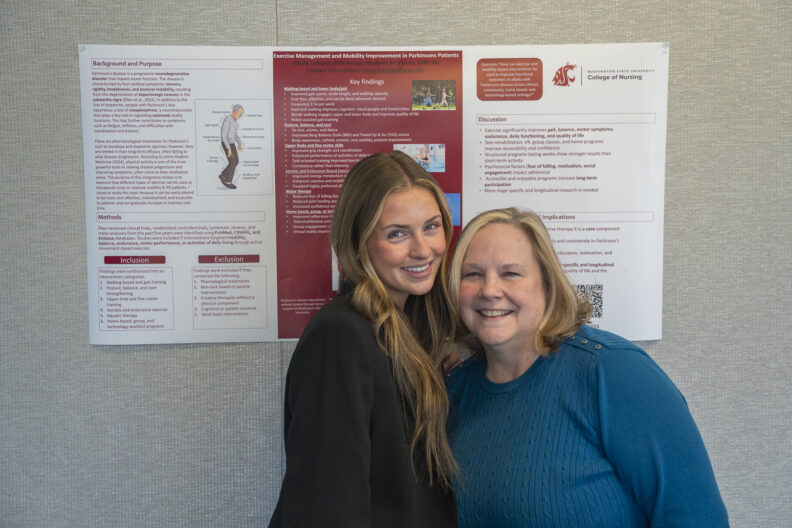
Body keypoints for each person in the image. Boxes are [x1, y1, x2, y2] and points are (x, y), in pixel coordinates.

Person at [445, 207, 729, 527]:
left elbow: (697, 517)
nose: (489, 290)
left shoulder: (612, 373)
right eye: (472, 274)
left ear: (548, 285)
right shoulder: (454, 391)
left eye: (511, 273)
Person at [269, 151, 458, 527]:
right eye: (397, 234)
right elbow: (328, 506)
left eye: (431, 226)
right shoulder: (339, 337)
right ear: (358, 244)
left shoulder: (408, 328)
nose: (423, 250)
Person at [219, 104, 244, 189]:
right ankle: (228, 181)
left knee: (236, 161)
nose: (240, 116)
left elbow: (235, 134)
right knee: (232, 162)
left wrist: (239, 143)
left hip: (232, 143)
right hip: (226, 143)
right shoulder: (227, 120)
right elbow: (223, 136)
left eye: (241, 114)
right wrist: (228, 149)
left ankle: (223, 175)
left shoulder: (235, 122)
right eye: (240, 113)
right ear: (235, 111)